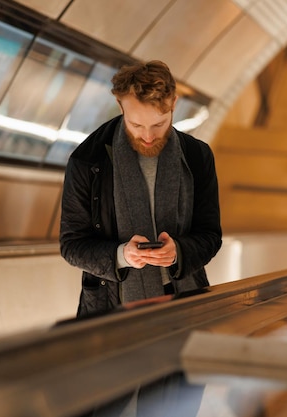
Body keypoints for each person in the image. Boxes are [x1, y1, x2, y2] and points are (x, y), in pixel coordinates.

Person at [59, 60, 222, 318]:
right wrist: (122, 255)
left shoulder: (197, 156)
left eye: (159, 124)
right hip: (112, 308)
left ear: (174, 104)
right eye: (136, 125)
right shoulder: (87, 160)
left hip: (185, 302)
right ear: (120, 105)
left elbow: (210, 235)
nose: (148, 136)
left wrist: (179, 251)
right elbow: (72, 245)